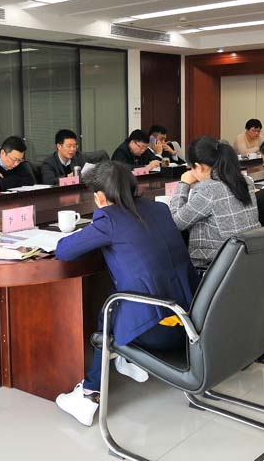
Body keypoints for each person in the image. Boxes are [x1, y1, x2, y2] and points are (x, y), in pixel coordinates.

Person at [53, 161, 198, 427]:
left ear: (99, 196)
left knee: (109, 309)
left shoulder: (109, 219)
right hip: (189, 323)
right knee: (122, 290)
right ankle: (128, 360)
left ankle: (89, 395)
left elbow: (64, 251)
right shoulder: (159, 209)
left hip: (156, 333)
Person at [168, 136, 260, 268]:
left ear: (199, 167)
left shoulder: (208, 189)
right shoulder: (246, 181)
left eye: (191, 168)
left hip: (214, 264)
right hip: (245, 259)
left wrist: (184, 184)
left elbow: (176, 223)